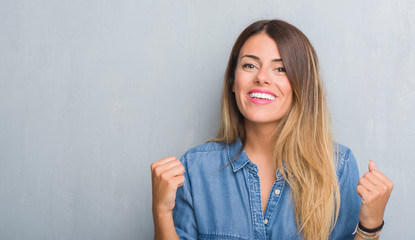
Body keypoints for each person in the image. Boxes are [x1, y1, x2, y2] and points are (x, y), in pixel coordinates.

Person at [151, 19, 393, 240]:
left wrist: (370, 226)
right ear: (233, 83)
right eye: (249, 65)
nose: (262, 78)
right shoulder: (195, 168)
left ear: (302, 85)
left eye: (281, 69)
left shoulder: (338, 166)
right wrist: (161, 211)